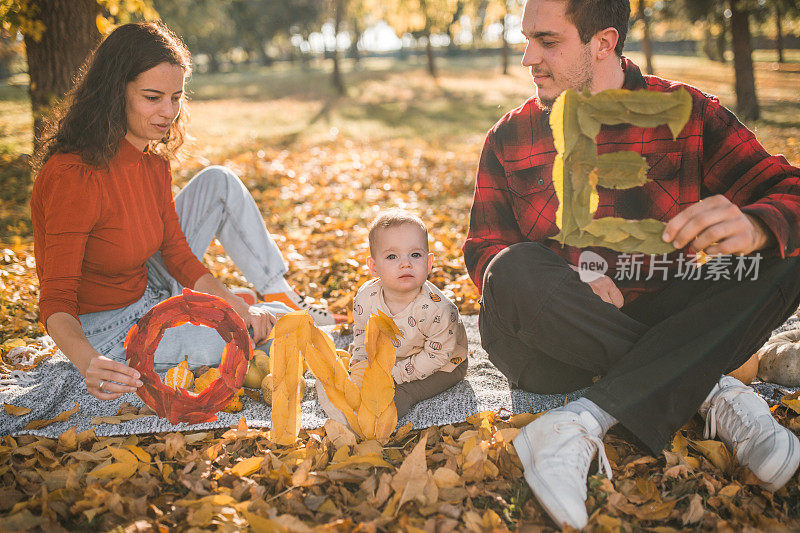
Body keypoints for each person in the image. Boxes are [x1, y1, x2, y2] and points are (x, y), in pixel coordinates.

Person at [463, 0, 800, 528]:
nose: (529, 57)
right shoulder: (509, 137)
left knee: (786, 256)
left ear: (604, 42)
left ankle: (581, 420)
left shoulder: (690, 113)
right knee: (510, 269)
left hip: (669, 309)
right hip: (557, 336)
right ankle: (706, 386)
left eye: (548, 42)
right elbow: (484, 250)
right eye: (526, 38)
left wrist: (756, 223)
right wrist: (575, 285)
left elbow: (789, 189)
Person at [31, 22, 343, 402]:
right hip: (106, 331)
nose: (168, 112)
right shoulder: (73, 176)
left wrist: (234, 302)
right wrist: (89, 362)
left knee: (276, 315)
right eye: (153, 98)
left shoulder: (153, 161)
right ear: (115, 92)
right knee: (285, 335)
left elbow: (177, 252)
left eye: (176, 97)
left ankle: (272, 292)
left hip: (150, 289)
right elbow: (56, 299)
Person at [317, 209, 468, 421]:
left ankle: (382, 413)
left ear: (429, 262)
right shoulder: (366, 298)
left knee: (406, 391)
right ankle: (346, 401)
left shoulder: (439, 310)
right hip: (395, 353)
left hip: (443, 360)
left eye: (415, 255)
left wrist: (395, 375)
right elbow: (361, 334)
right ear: (374, 266)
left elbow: (437, 356)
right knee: (356, 366)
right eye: (391, 256)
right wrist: (361, 364)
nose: (405, 263)